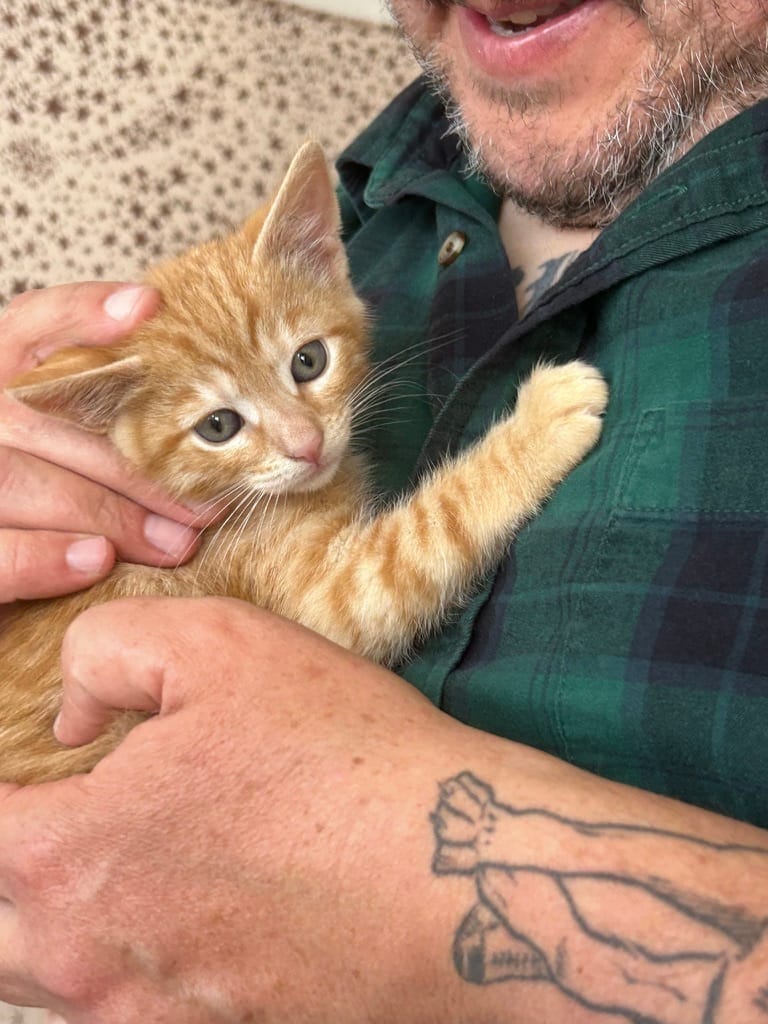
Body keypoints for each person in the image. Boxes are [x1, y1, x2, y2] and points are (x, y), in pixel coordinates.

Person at [1, 0, 767, 1021]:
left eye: (307, 368)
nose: (301, 442)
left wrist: (398, 872)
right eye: (225, 426)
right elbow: (343, 603)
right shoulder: (379, 199)